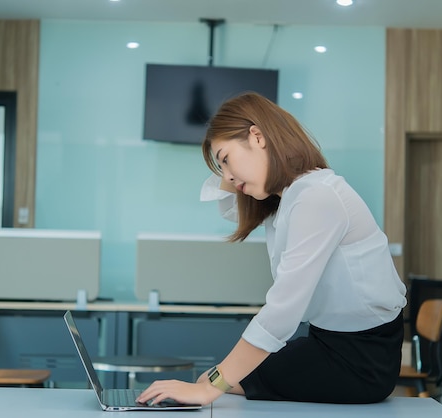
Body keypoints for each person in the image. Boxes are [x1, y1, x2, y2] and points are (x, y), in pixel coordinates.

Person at [137, 92, 407, 406]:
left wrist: (209, 389)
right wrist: (235, 167)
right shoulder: (291, 196)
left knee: (213, 382)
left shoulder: (316, 196)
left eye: (225, 158)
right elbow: (232, 207)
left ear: (257, 136)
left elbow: (283, 309)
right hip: (328, 343)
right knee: (215, 379)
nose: (226, 175)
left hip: (361, 361)